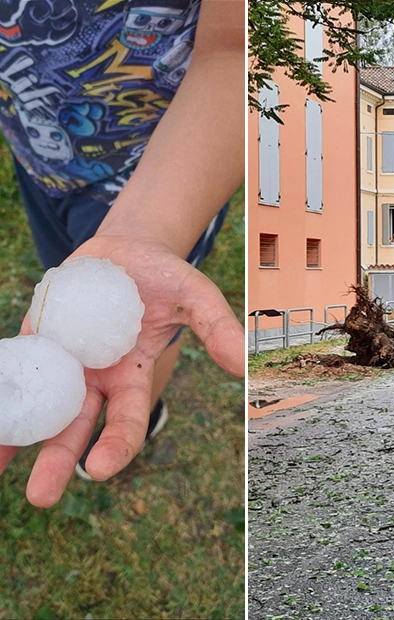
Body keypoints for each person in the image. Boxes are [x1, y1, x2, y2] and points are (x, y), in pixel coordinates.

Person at [0, 0, 245, 508]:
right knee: (61, 273)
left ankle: (142, 400)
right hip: (41, 156)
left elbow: (233, 53)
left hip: (166, 164)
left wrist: (146, 230)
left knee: (155, 318)